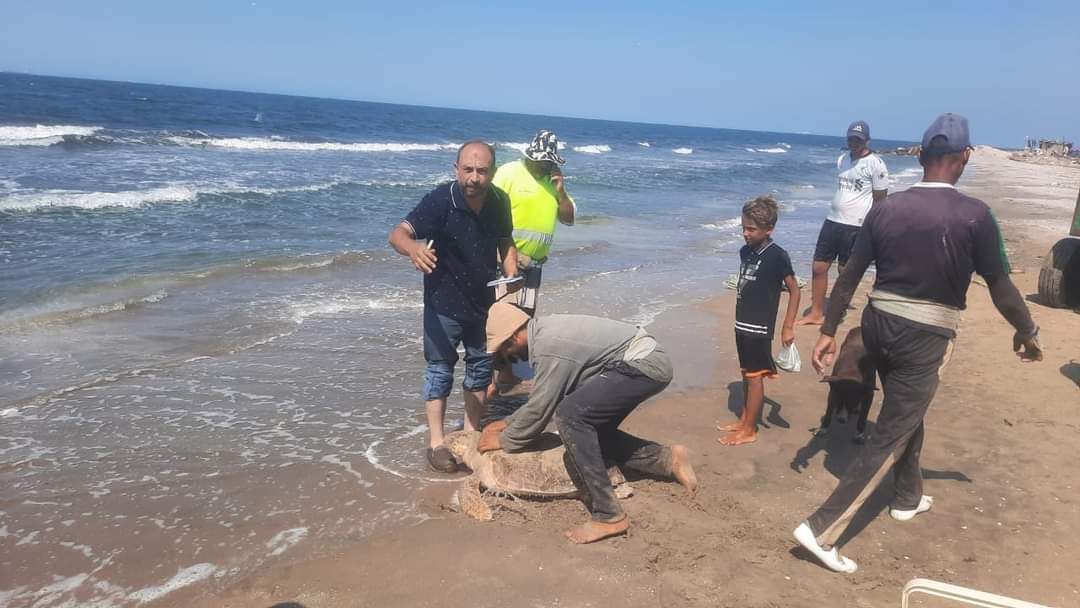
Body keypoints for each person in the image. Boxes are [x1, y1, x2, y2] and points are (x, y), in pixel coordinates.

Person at [793, 114, 1043, 573]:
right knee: (893, 427)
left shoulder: (885, 210)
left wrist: (828, 331)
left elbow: (850, 275)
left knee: (907, 411)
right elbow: (1001, 287)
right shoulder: (975, 215)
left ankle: (907, 496)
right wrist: (1027, 330)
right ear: (964, 157)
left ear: (922, 156)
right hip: (924, 335)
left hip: (876, 325)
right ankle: (820, 529)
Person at [476, 301, 697, 544]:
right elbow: (541, 398)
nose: (509, 358)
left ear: (513, 339)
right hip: (640, 360)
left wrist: (506, 440)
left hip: (643, 364)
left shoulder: (548, 347)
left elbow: (541, 410)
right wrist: (507, 422)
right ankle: (667, 459)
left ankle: (608, 515)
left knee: (571, 417)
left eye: (505, 351)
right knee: (593, 432)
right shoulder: (543, 334)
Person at [388, 140, 519, 473]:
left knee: (480, 371)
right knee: (439, 371)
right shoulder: (440, 200)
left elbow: (506, 242)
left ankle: (470, 435)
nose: (474, 177)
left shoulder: (499, 201)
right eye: (468, 170)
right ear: (456, 169)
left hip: (484, 304)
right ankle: (437, 443)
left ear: (492, 172)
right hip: (442, 303)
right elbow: (398, 234)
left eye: (482, 171)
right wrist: (413, 249)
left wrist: (512, 276)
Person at [487, 130, 577, 393]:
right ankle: (492, 380)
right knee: (502, 322)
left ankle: (506, 375)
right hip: (506, 260)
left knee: (522, 323)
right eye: (540, 161)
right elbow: (488, 209)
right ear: (530, 156)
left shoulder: (553, 182)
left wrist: (561, 193)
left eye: (548, 162)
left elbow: (569, 219)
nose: (544, 166)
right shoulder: (509, 173)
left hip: (535, 265)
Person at [718, 195, 801, 446]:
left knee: (755, 377)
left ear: (769, 229)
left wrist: (788, 327)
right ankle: (745, 420)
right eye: (743, 227)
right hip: (741, 323)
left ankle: (750, 430)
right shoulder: (745, 251)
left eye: (751, 229)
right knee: (746, 373)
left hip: (759, 327)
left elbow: (794, 290)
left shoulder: (777, 256)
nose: (745, 233)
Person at [798, 121, 889, 326]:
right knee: (818, 267)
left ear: (867, 140)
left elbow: (880, 201)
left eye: (858, 139)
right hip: (832, 221)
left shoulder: (876, 165)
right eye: (851, 139)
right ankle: (816, 313)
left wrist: (873, 230)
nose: (854, 143)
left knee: (845, 272)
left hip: (856, 226)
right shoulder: (842, 160)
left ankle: (836, 313)